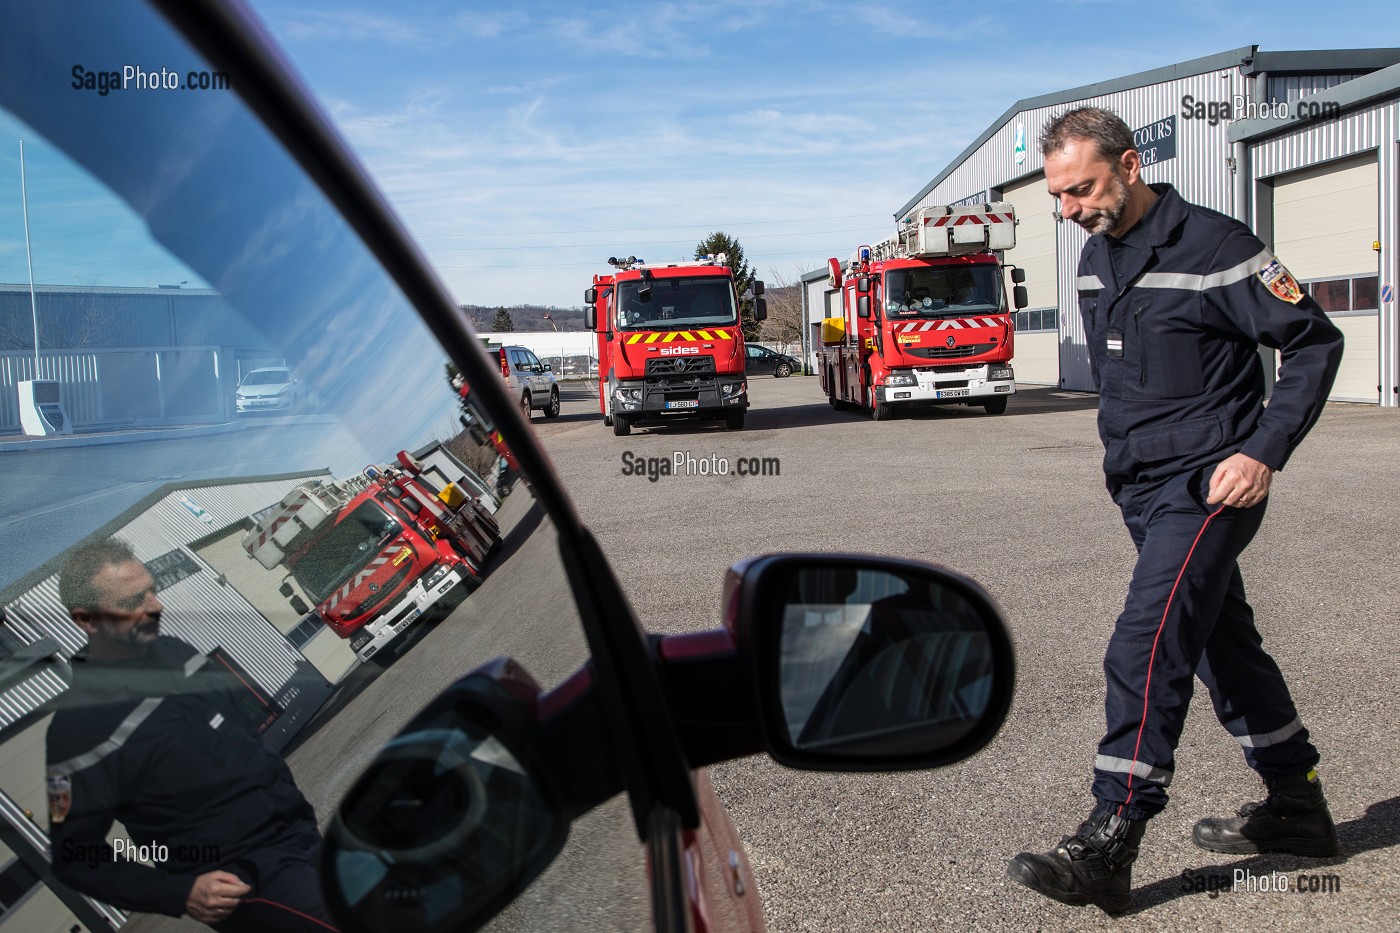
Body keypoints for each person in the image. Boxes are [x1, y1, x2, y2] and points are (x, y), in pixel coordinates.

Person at [1007, 107, 1345, 914]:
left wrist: (1262, 451)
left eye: (1082, 188)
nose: (1069, 209)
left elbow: (1313, 341)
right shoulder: (1094, 256)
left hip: (1209, 485)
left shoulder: (1219, 247)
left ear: (1130, 166)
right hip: (1140, 485)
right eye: (1058, 195)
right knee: (1221, 644)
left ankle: (1112, 834)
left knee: (1148, 637)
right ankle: (1295, 802)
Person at [45, 539, 337, 932]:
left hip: (298, 833)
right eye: (133, 602)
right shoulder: (76, 731)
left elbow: (241, 733)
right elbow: (74, 855)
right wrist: (179, 892)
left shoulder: (177, 653)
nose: (156, 606)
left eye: (151, 590)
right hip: (243, 880)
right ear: (86, 620)